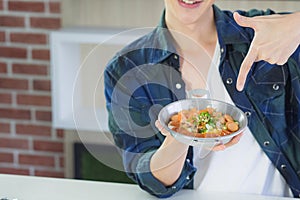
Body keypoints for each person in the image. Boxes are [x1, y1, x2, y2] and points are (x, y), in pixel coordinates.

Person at [104, 0, 300, 198]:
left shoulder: (260, 32)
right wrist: (180, 135)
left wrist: (296, 23)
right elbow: (152, 181)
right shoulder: (126, 69)